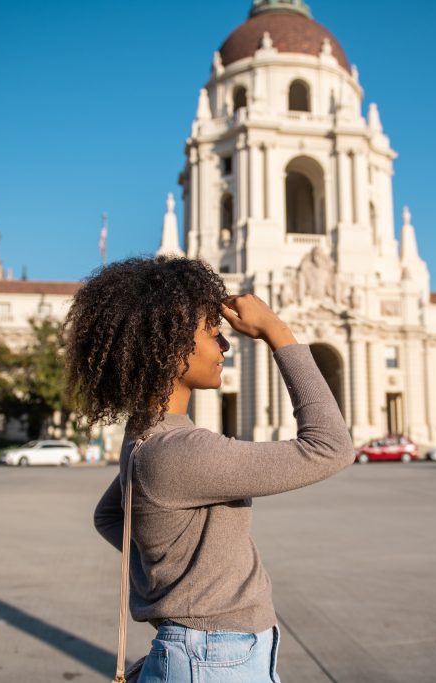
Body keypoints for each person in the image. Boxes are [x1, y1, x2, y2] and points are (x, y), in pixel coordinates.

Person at [64, 256, 352, 682]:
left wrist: (174, 583)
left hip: (201, 651)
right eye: (213, 333)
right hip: (216, 657)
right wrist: (279, 333)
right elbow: (331, 447)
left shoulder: (144, 437)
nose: (226, 346)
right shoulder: (182, 452)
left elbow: (111, 516)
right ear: (170, 347)